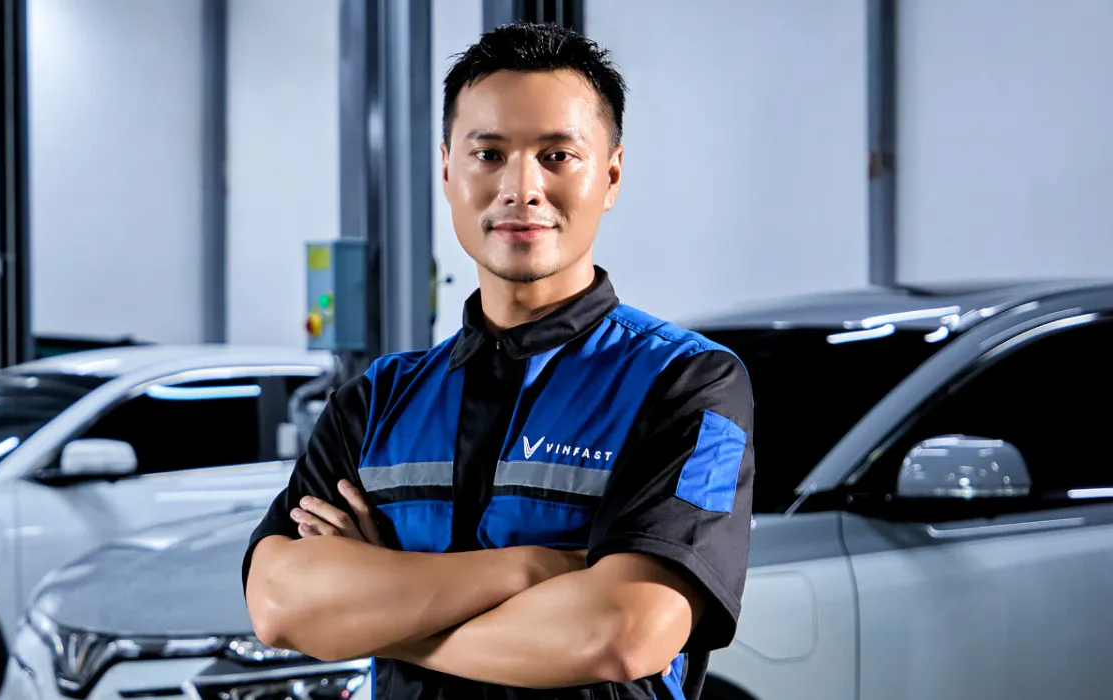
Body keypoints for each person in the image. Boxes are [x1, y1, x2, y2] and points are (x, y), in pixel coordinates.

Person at [241, 22, 755, 700]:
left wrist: (369, 616)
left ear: (611, 175)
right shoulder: (377, 402)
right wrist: (535, 569)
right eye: (488, 153)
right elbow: (279, 606)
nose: (521, 187)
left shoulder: (685, 383)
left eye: (557, 155)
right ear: (446, 168)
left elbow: (622, 633)